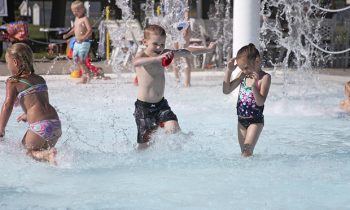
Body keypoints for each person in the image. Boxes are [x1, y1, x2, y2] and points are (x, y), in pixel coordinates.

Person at [133, 24, 216, 149]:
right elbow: (135, 62)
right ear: (145, 42)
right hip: (144, 108)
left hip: (161, 105)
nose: (159, 47)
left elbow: (186, 52)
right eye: (155, 44)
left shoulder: (165, 53)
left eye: (162, 44)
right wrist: (157, 59)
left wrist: (207, 49)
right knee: (145, 147)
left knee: (174, 129)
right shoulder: (142, 56)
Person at [0, 43, 62, 164]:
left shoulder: (13, 81)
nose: (8, 66)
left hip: (40, 126)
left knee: (25, 151)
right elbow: (41, 103)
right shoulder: (40, 79)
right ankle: (48, 158)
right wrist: (27, 115)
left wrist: (1, 129)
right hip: (55, 125)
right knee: (41, 155)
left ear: (15, 62)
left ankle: (48, 155)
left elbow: (8, 104)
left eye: (8, 63)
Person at [223, 43, 271, 157]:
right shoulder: (243, 75)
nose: (244, 71)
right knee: (245, 155)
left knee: (246, 152)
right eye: (241, 69)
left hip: (255, 121)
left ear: (257, 61)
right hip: (241, 121)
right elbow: (226, 90)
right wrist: (229, 71)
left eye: (246, 67)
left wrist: (254, 86)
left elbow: (260, 102)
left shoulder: (264, 78)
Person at [63, 0, 93, 84]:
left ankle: (85, 77)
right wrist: (67, 34)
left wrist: (83, 37)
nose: (75, 12)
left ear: (83, 9)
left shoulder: (85, 19)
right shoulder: (76, 19)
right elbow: (74, 30)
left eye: (77, 10)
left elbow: (90, 30)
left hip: (84, 42)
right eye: (73, 11)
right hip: (77, 43)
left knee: (82, 60)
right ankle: (88, 73)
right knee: (76, 59)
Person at [172, 10, 193, 87]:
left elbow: (187, 11)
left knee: (183, 55)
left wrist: (185, 28)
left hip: (184, 26)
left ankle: (187, 82)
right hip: (174, 27)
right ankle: (177, 81)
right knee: (174, 56)